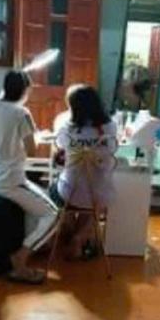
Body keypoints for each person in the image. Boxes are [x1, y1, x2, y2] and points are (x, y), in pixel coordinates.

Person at [0, 70, 59, 284]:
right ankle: (20, 258)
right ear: (25, 91)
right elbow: (32, 150)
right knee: (53, 215)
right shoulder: (21, 113)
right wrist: (35, 136)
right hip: (10, 181)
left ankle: (29, 246)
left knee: (36, 205)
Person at [52, 85, 118, 260]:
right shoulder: (110, 126)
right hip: (99, 193)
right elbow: (112, 149)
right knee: (94, 202)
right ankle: (80, 237)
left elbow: (59, 150)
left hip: (69, 191)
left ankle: (69, 230)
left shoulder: (64, 125)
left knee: (56, 190)